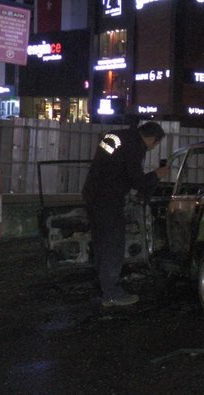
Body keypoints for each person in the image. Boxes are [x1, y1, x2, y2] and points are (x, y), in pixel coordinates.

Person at [82, 121, 168, 307]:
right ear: (152, 138)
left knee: (101, 243)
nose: (153, 148)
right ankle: (111, 294)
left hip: (93, 195)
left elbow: (115, 169)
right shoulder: (134, 146)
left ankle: (105, 287)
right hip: (108, 200)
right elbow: (137, 180)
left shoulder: (116, 135)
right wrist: (157, 175)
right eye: (155, 144)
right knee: (113, 245)